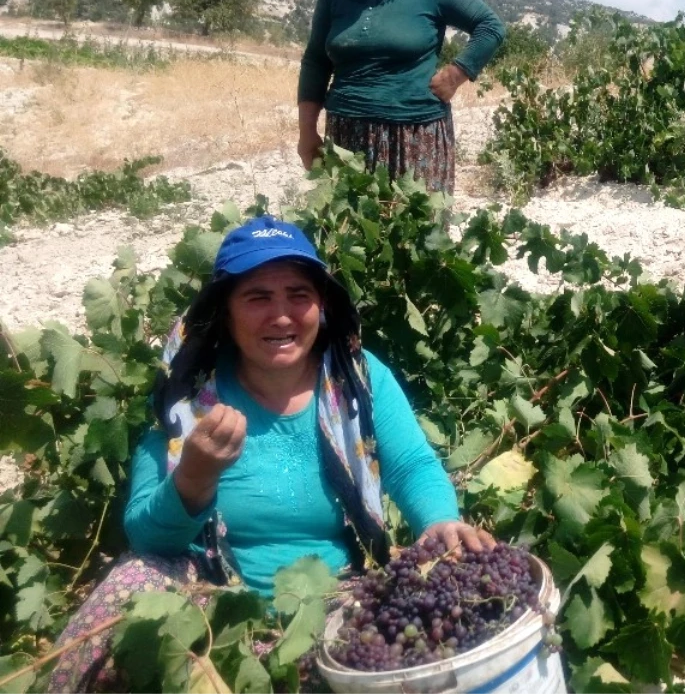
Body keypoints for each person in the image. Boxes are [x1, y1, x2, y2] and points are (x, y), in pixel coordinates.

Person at [49, 216, 491, 692]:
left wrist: (439, 520)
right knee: (130, 583)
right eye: (258, 297)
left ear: (321, 306)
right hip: (208, 599)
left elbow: (411, 465)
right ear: (226, 313)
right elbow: (146, 535)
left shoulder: (355, 379)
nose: (281, 315)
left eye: (299, 294)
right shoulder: (191, 395)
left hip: (333, 597)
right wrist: (194, 478)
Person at [296, 0, 506, 193]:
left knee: (415, 223)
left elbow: (490, 27)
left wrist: (455, 75)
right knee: (348, 222)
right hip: (346, 137)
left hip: (415, 136)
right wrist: (307, 131)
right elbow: (316, 60)